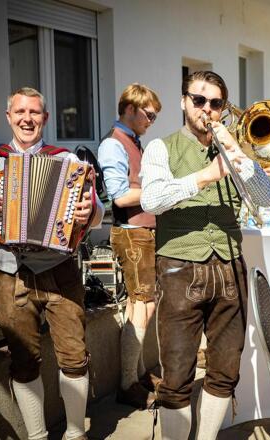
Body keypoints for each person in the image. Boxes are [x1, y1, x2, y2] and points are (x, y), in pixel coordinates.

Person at [0, 87, 104, 440]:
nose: (27, 119)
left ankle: (75, 434)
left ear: (45, 118)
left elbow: (96, 213)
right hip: (10, 274)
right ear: (9, 117)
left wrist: (89, 211)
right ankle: (37, 437)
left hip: (60, 271)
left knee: (74, 356)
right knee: (23, 361)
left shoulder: (66, 161)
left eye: (34, 112)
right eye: (20, 112)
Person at [140, 70, 270, 440]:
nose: (207, 108)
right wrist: (206, 175)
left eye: (215, 103)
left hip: (229, 267)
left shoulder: (232, 150)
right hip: (178, 268)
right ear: (184, 102)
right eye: (198, 100)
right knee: (176, 376)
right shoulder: (161, 148)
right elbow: (151, 200)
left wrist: (237, 153)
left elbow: (267, 198)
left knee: (225, 371)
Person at [97, 83, 162, 410]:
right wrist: (163, 189)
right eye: (149, 114)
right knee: (141, 307)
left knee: (142, 306)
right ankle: (127, 384)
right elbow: (120, 197)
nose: (151, 121)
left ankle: (137, 375)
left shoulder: (132, 140)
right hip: (131, 233)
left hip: (141, 232)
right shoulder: (113, 144)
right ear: (131, 109)